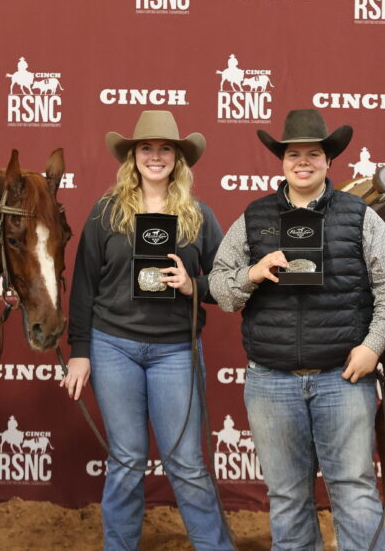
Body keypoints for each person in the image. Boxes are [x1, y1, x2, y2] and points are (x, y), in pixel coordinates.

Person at [209, 108, 385, 550]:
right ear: (282, 161)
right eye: (293, 154)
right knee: (287, 497)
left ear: (328, 160)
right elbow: (220, 288)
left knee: (355, 491)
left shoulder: (359, 216)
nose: (303, 162)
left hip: (342, 378)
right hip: (270, 381)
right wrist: (252, 274)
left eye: (313, 154)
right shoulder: (254, 217)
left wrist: (374, 346)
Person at [60, 110, 232, 551]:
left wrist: (194, 285)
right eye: (146, 148)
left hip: (176, 350)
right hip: (113, 346)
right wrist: (80, 350)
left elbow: (227, 281)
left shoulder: (198, 215)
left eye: (165, 149)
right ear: (132, 156)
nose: (155, 156)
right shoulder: (106, 212)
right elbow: (84, 285)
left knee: (186, 462)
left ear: (178, 158)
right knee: (126, 459)